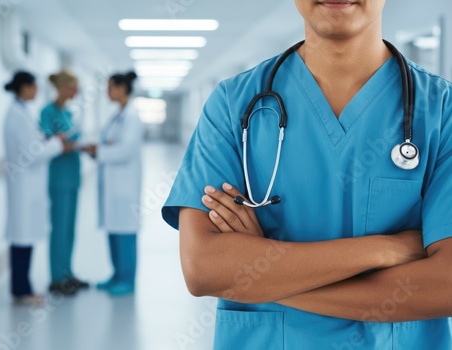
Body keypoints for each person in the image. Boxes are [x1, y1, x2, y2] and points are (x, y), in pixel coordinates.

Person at [162, 1, 452, 349]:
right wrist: (387, 248)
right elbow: (204, 269)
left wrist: (263, 278)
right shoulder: (232, 104)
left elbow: (446, 284)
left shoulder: (441, 110)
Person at [3, 71, 73, 305]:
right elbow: (31, 154)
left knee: (25, 238)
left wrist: (49, 141)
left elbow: (33, 145)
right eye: (34, 86)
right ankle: (22, 291)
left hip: (28, 186)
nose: (37, 91)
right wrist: (56, 143)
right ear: (23, 87)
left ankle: (22, 289)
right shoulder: (15, 115)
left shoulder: (22, 112)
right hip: (24, 186)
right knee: (22, 238)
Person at [83, 72, 143, 297]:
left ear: (121, 88)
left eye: (110, 87)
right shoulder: (117, 115)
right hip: (113, 185)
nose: (107, 92)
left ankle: (127, 279)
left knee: (125, 232)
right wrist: (99, 149)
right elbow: (110, 144)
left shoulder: (132, 116)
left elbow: (126, 150)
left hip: (124, 187)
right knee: (113, 230)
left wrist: (100, 151)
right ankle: (116, 275)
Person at [40, 70, 88, 295]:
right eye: (73, 87)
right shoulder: (47, 112)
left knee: (69, 229)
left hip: (72, 176)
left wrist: (71, 143)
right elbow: (49, 142)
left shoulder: (68, 113)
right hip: (59, 178)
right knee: (58, 228)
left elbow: (70, 141)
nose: (76, 92)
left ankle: (68, 273)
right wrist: (68, 143)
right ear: (62, 87)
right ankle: (56, 278)